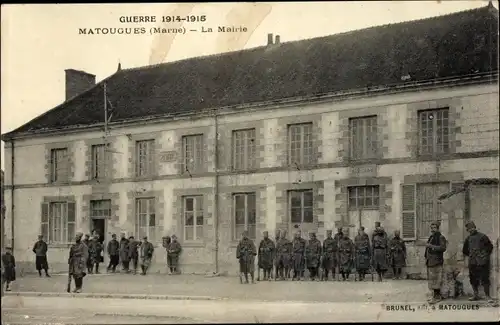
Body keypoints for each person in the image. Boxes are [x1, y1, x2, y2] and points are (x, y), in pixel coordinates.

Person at [462, 221, 494, 302]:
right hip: (472, 262)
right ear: (468, 230)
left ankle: (487, 296)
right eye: (469, 229)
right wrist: (471, 254)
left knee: (485, 279)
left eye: (472, 228)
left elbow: (490, 247)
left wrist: (483, 254)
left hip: (482, 262)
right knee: (473, 279)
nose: (471, 230)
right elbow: (464, 250)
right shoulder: (468, 239)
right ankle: (475, 295)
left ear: (475, 227)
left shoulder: (483, 236)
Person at [425, 221, 447, 304]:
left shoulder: (441, 237)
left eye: (434, 228)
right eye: (431, 228)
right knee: (432, 280)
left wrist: (431, 246)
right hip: (430, 261)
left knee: (437, 279)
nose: (432, 229)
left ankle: (437, 297)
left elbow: (443, 248)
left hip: (437, 261)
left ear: (438, 228)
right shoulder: (431, 237)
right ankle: (434, 296)